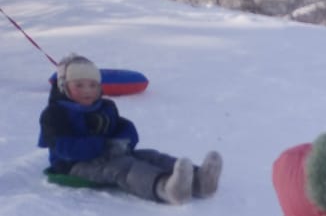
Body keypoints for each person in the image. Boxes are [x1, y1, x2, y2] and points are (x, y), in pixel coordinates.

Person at [38, 54, 222, 204]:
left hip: (109, 153)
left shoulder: (104, 107)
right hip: (74, 166)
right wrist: (103, 146)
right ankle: (166, 188)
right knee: (124, 168)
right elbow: (64, 147)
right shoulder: (55, 114)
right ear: (64, 87)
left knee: (151, 156)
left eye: (93, 85)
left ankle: (199, 180)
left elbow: (122, 126)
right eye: (79, 85)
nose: (87, 91)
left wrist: (122, 140)